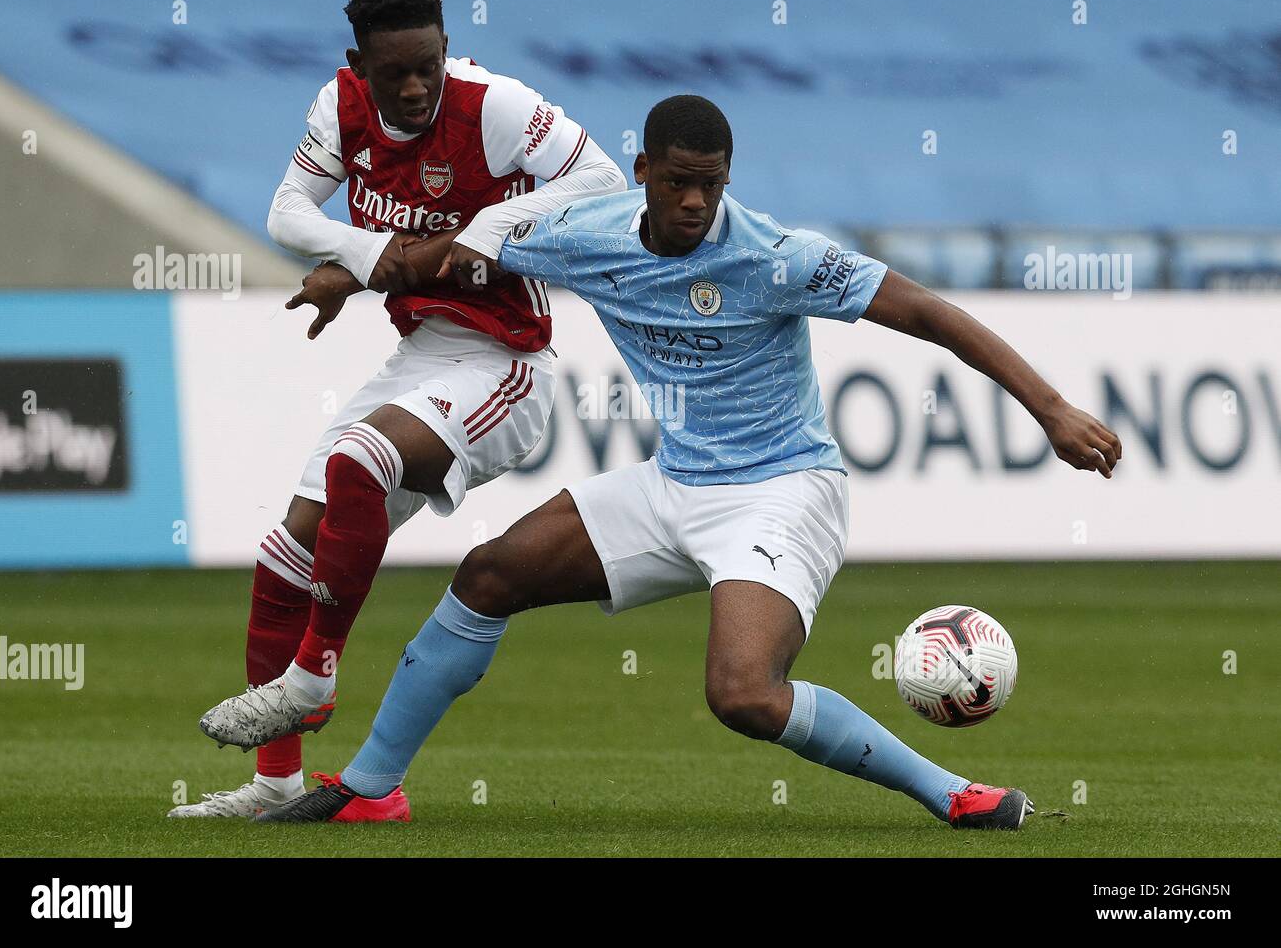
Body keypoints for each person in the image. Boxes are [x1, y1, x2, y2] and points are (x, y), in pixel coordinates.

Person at [252, 95, 1121, 829]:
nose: (696, 202)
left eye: (711, 184)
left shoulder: (777, 257)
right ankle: (369, 790)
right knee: (488, 574)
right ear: (640, 172)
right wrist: (350, 272)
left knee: (742, 694)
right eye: (678, 182)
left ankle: (953, 795)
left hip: (782, 491)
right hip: (675, 483)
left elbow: (927, 313)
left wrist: (1052, 410)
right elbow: (459, 258)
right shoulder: (585, 233)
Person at [170, 0, 625, 820]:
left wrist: (484, 230)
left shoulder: (491, 105)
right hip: (423, 357)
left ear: (447, 48)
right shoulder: (338, 108)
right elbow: (285, 214)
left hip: (507, 365)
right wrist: (367, 258)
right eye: (395, 74)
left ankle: (313, 678)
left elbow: (603, 182)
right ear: (359, 64)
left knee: (359, 456)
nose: (416, 88)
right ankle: (275, 786)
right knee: (283, 559)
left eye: (429, 66)